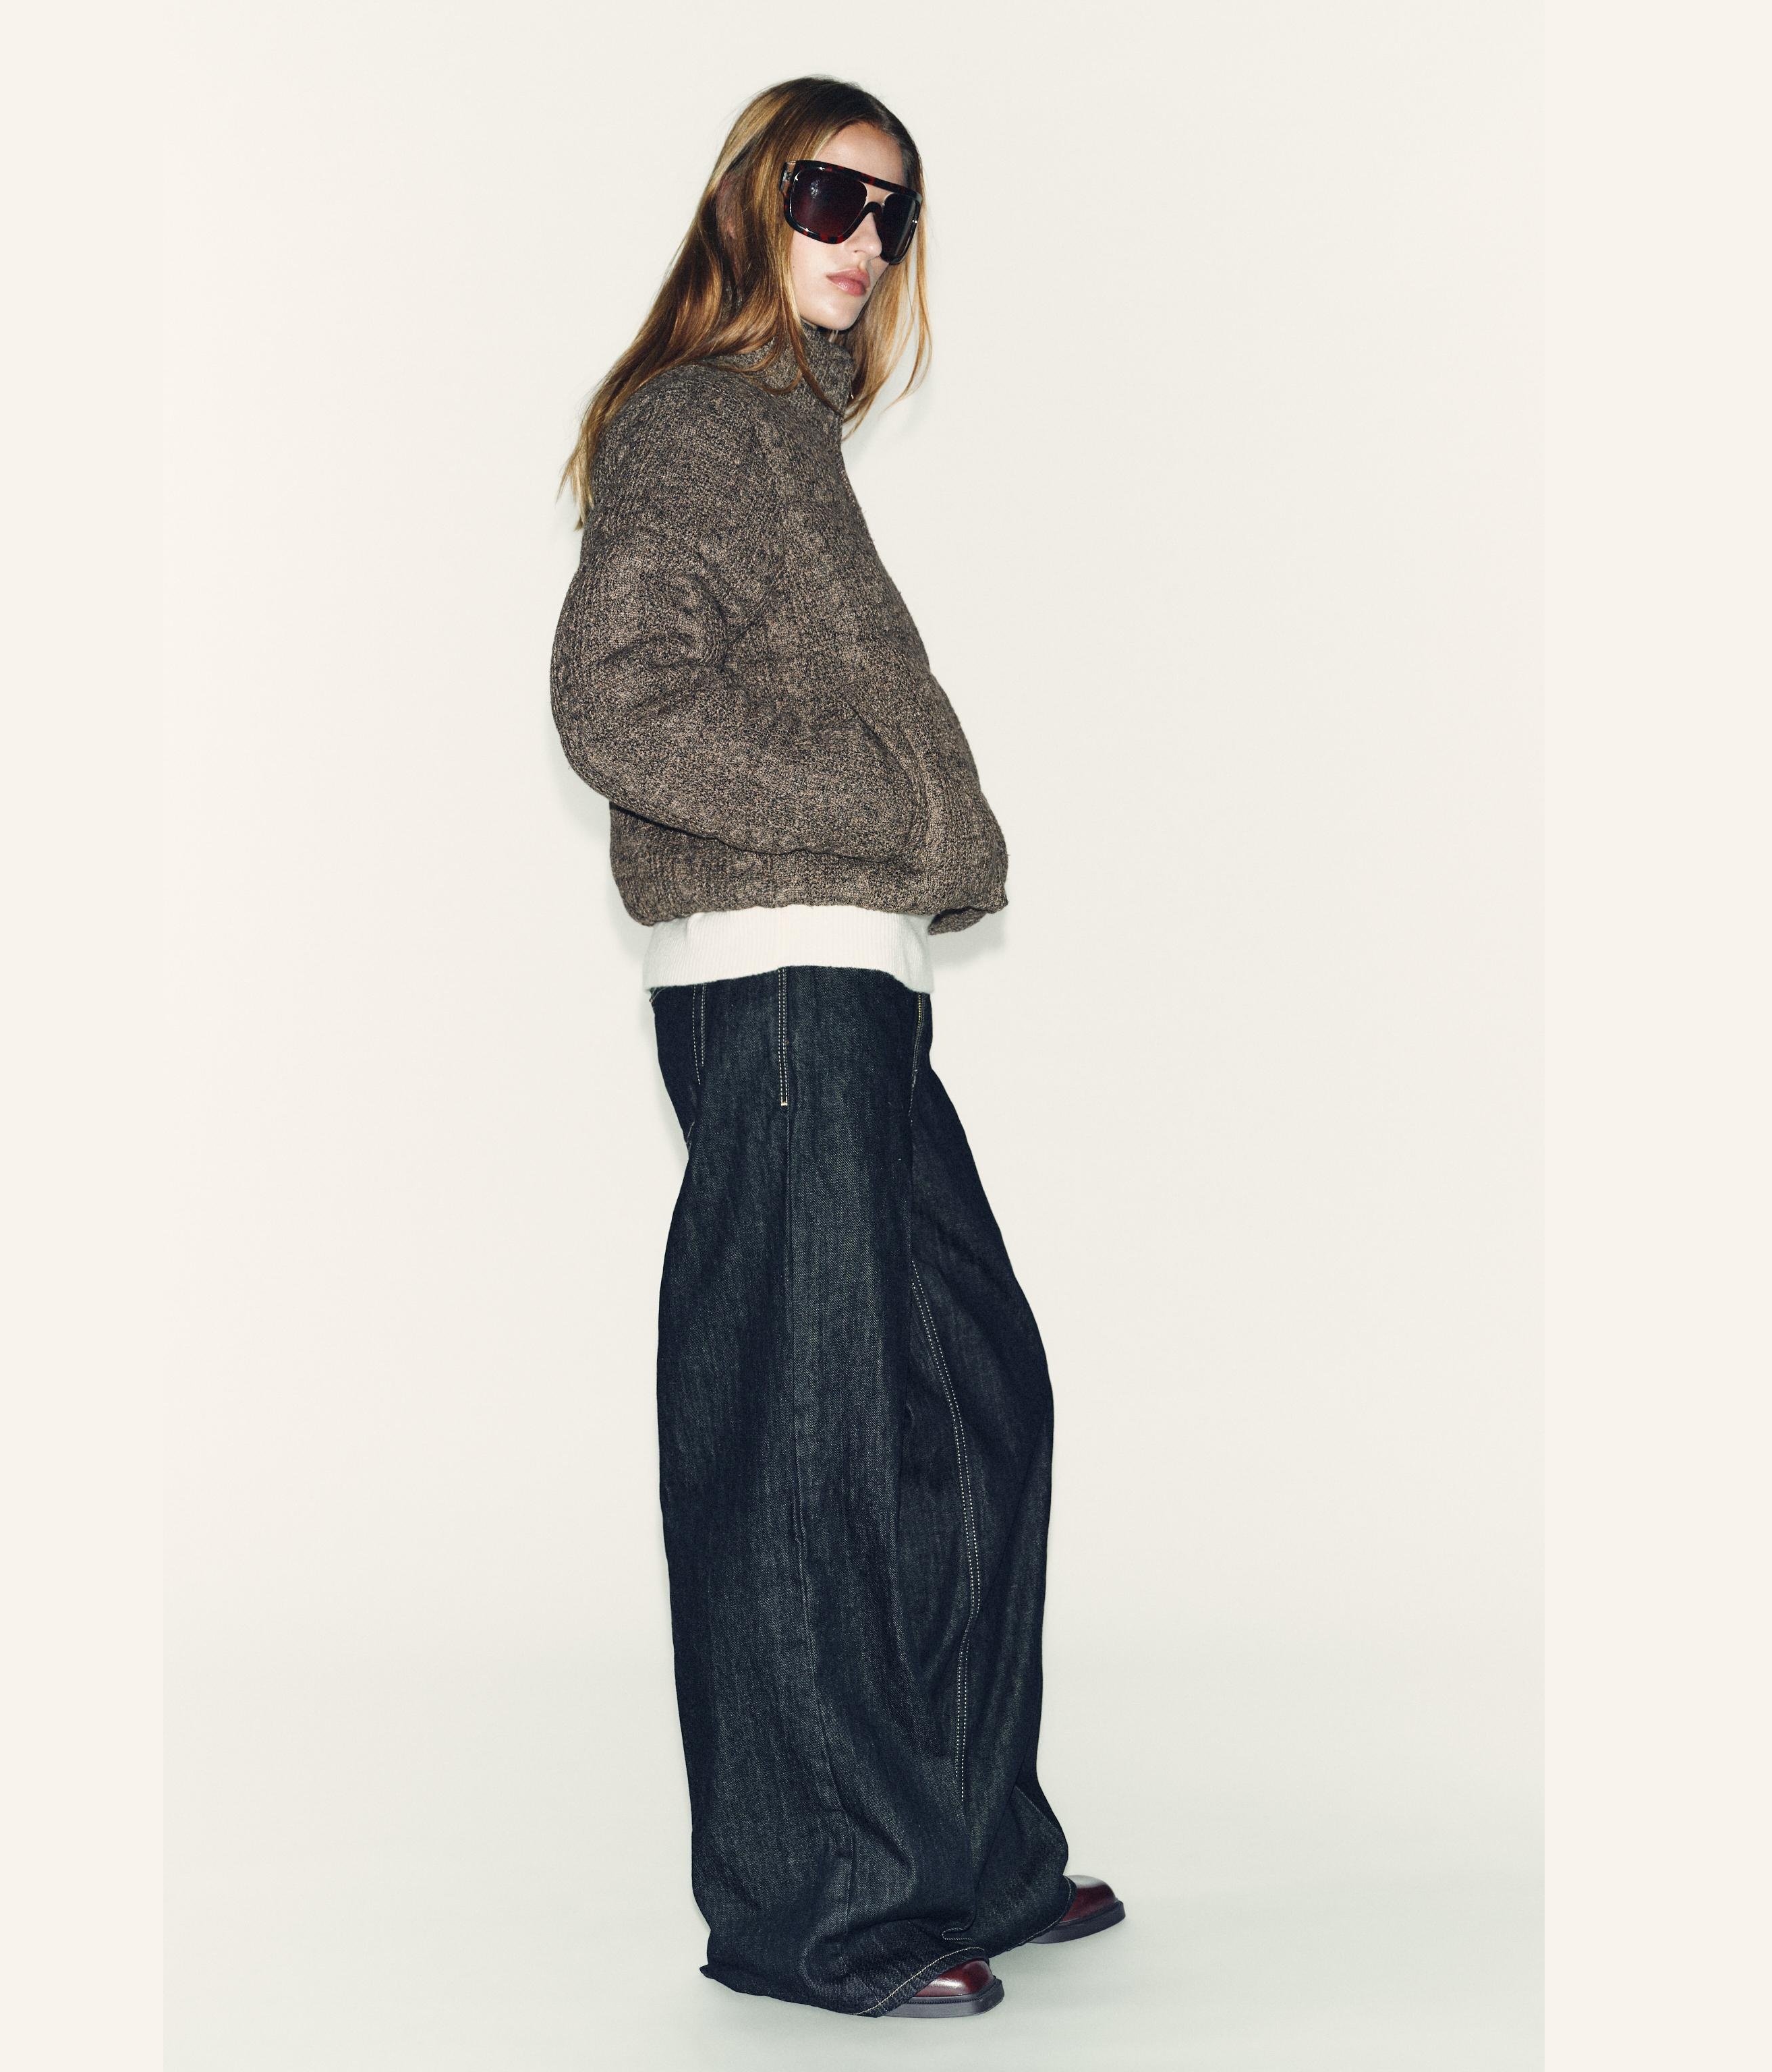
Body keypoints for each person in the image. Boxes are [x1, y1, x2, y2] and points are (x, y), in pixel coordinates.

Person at [549, 75, 1122, 2021]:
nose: (866, 239)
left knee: (971, 1403)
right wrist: (891, 809)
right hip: (778, 975)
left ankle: (961, 1853)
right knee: (804, 1444)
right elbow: (617, 702)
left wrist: (899, 843)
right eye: (827, 196)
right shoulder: (697, 423)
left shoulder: (788, 437)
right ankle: (826, 1915)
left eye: (894, 209)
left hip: (850, 983)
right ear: (748, 205)